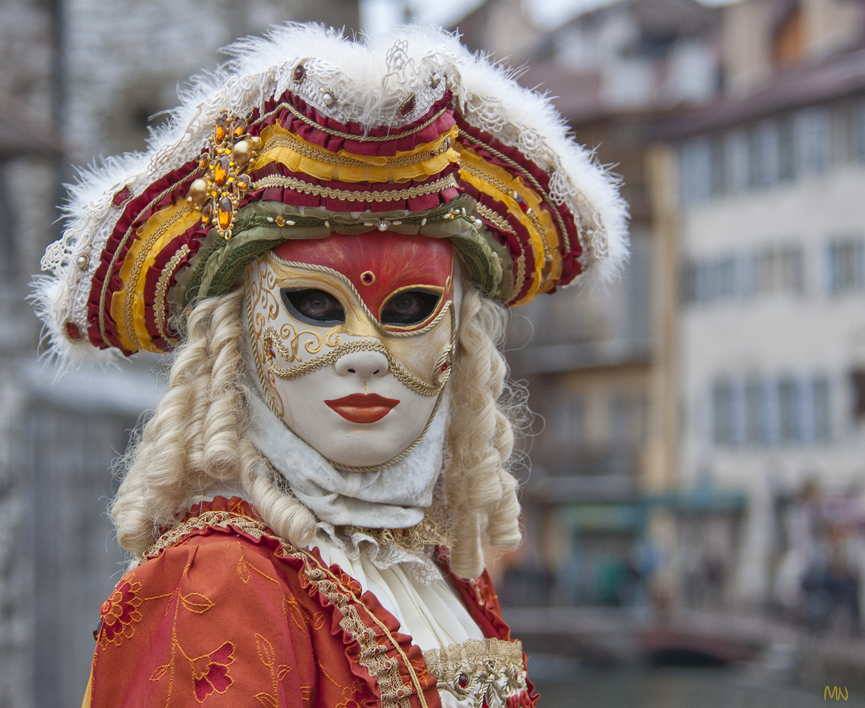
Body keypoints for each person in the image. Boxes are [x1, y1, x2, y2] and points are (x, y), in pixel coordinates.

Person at [33, 24, 627, 708]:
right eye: (314, 304)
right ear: (238, 337)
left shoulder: (431, 563)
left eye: (409, 309)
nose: (365, 355)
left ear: (459, 343)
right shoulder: (219, 581)